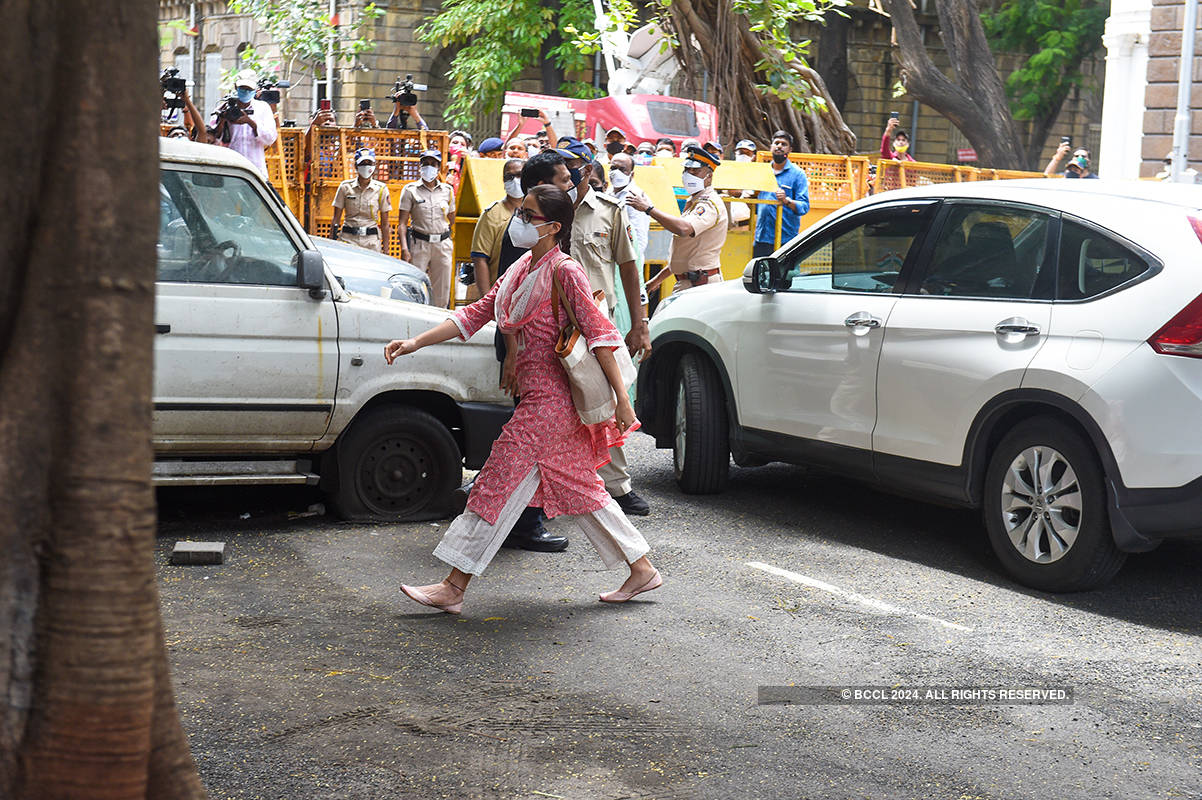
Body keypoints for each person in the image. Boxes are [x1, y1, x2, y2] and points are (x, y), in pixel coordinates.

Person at [386, 185, 662, 614]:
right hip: (539, 401)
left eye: (529, 215)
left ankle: (454, 585)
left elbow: (601, 336)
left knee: (497, 481)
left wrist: (623, 402)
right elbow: (474, 313)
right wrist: (415, 342)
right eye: (522, 212)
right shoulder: (520, 269)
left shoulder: (565, 271)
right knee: (582, 489)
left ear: (553, 227)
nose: (520, 220)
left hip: (550, 406)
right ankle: (641, 568)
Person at [551, 139, 652, 517]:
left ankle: (617, 487)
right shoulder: (547, 209)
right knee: (554, 405)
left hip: (597, 327)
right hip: (555, 326)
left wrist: (640, 324)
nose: (568, 172)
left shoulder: (609, 211)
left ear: (588, 168)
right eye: (562, 165)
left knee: (607, 402)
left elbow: (629, 269)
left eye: (574, 165)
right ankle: (555, 487)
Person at [627, 145, 727, 294]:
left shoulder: (708, 204)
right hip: (689, 282)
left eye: (695, 171)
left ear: (709, 176)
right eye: (687, 170)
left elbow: (683, 229)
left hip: (699, 285)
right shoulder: (694, 201)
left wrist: (648, 209)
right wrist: (656, 281)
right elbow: (684, 255)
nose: (689, 174)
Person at [398, 149, 456, 307]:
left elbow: (452, 219)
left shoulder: (448, 191)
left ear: (438, 168)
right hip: (419, 244)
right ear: (420, 167)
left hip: (442, 244)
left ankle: (438, 326)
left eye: (433, 164)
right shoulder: (410, 190)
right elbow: (402, 223)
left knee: (442, 292)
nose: (428, 167)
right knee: (415, 288)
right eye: (425, 164)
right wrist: (404, 248)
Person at [470, 158, 526, 294]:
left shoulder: (538, 212)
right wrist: (486, 298)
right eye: (509, 176)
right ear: (503, 180)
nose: (514, 180)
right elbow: (480, 258)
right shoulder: (492, 214)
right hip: (499, 291)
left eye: (519, 175)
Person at [753, 130, 810, 258]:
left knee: (783, 276)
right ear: (771, 147)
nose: (779, 146)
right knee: (758, 275)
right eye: (776, 143)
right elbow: (756, 206)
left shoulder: (797, 174)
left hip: (785, 239)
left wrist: (786, 200)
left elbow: (804, 206)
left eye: (783, 144)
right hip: (762, 237)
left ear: (789, 149)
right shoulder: (763, 172)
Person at [213, 70, 278, 179]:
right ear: (235, 87)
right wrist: (223, 119)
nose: (246, 91)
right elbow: (213, 139)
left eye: (249, 89)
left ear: (255, 90)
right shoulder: (224, 107)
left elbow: (270, 138)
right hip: (230, 168)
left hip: (255, 170)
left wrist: (250, 122)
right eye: (242, 88)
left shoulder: (262, 108)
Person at [330, 148, 391, 253]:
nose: (366, 166)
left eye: (369, 163)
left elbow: (385, 223)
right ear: (356, 166)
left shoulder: (381, 189)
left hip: (371, 242)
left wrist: (386, 249)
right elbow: (336, 219)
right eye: (362, 163)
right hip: (348, 239)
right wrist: (331, 244)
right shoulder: (345, 187)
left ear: (374, 165)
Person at [609, 153, 650, 260]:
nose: (616, 172)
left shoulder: (635, 197)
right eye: (613, 168)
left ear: (631, 175)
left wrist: (630, 262)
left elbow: (639, 237)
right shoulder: (608, 192)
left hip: (628, 260)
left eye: (622, 169)